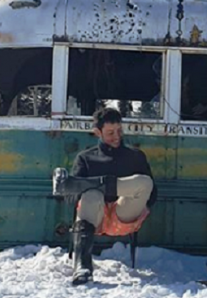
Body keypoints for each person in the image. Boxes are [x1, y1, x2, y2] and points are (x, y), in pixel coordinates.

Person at [53, 107, 158, 285]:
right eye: (110, 133)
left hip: (124, 216)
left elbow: (152, 193)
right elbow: (71, 199)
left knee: (144, 182)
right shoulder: (85, 158)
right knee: (91, 195)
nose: (116, 137)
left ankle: (96, 184)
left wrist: (142, 204)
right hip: (94, 218)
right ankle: (83, 267)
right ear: (97, 132)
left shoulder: (135, 156)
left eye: (119, 131)